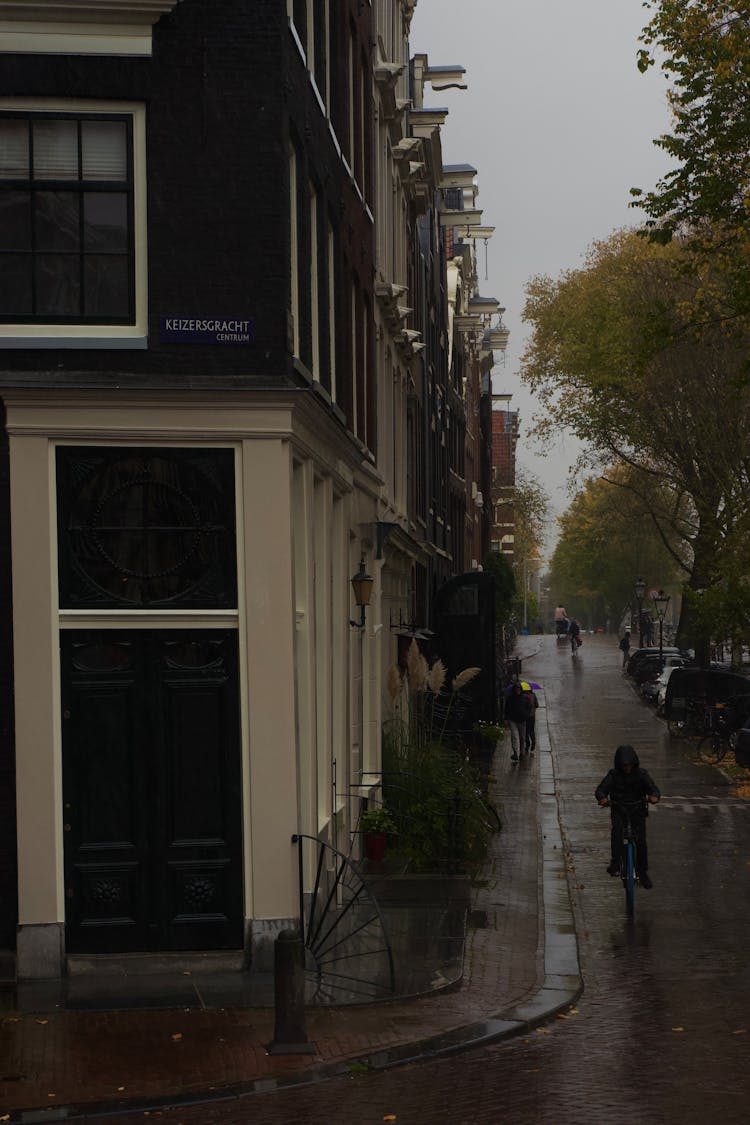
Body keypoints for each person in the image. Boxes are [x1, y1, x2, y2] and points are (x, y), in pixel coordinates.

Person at [595, 745, 660, 889]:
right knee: (617, 833)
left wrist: (654, 796)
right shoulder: (613, 775)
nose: (627, 768)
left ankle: (642, 872)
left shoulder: (642, 774)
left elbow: (653, 788)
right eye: (624, 765)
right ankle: (616, 863)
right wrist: (602, 798)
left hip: (637, 810)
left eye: (629, 765)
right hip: (619, 809)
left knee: (641, 840)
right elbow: (601, 789)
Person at [505, 681, 534, 761]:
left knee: (522, 737)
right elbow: (506, 709)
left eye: (519, 689)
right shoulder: (510, 698)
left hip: (522, 720)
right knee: (514, 736)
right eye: (516, 689)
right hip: (512, 720)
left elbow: (530, 707)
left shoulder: (525, 698)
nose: (517, 690)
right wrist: (506, 719)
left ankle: (522, 751)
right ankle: (515, 752)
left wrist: (526, 715)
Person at [524, 686, 539, 752]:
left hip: (525, 716)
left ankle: (527, 745)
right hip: (532, 716)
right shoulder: (533, 695)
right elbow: (537, 705)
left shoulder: (523, 696)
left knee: (525, 731)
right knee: (531, 730)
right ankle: (533, 741)